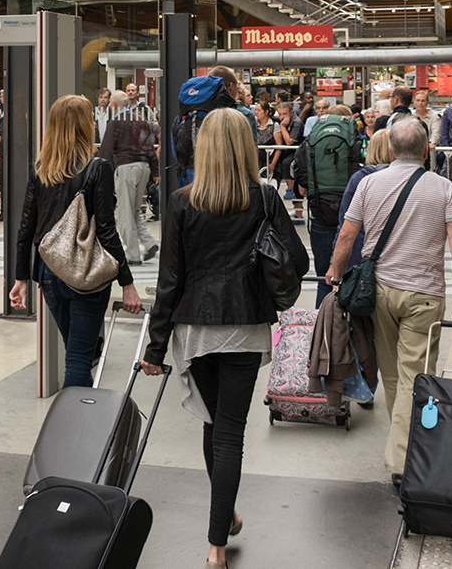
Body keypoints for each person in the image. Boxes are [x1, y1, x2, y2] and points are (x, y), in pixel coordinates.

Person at [141, 108, 306, 569]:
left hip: (195, 328)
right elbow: (300, 261)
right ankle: (216, 544)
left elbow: (169, 281)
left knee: (213, 427)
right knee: (230, 434)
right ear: (246, 148)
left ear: (203, 148)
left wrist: (155, 349)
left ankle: (222, 519)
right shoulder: (265, 199)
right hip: (246, 325)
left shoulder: (180, 202)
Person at [326, 116, 452, 484]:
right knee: (415, 377)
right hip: (424, 296)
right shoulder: (443, 188)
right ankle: (403, 459)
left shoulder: (369, 183)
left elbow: (347, 236)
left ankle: (403, 446)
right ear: (427, 149)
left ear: (391, 149)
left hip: (380, 293)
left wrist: (334, 271)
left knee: (393, 376)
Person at [10, 95, 141, 388]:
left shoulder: (41, 169)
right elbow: (106, 230)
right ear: (86, 125)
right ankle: (76, 426)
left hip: (49, 273)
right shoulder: (98, 168)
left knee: (77, 352)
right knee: (79, 361)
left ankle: (81, 412)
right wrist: (127, 283)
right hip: (85, 275)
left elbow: (26, 228)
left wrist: (21, 278)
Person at [295, 105, 360, 306]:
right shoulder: (356, 142)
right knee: (353, 277)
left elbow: (302, 186)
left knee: (324, 277)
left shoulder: (311, 143)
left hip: (319, 216)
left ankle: (323, 330)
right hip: (352, 219)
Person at [97, 91, 160, 265]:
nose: (109, 106)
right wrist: (155, 171)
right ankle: (149, 243)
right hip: (144, 168)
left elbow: (106, 149)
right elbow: (150, 148)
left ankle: (132, 255)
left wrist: (97, 169)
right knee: (134, 211)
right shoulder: (142, 121)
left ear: (115, 105)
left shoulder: (115, 122)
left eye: (110, 103)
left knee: (124, 214)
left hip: (126, 168)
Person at [410, 88, 442, 169]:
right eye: (418, 100)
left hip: (428, 153)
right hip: (413, 153)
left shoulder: (433, 117)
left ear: (427, 102)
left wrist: (432, 143)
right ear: (414, 102)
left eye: (423, 101)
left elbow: (436, 132)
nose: (420, 103)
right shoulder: (411, 117)